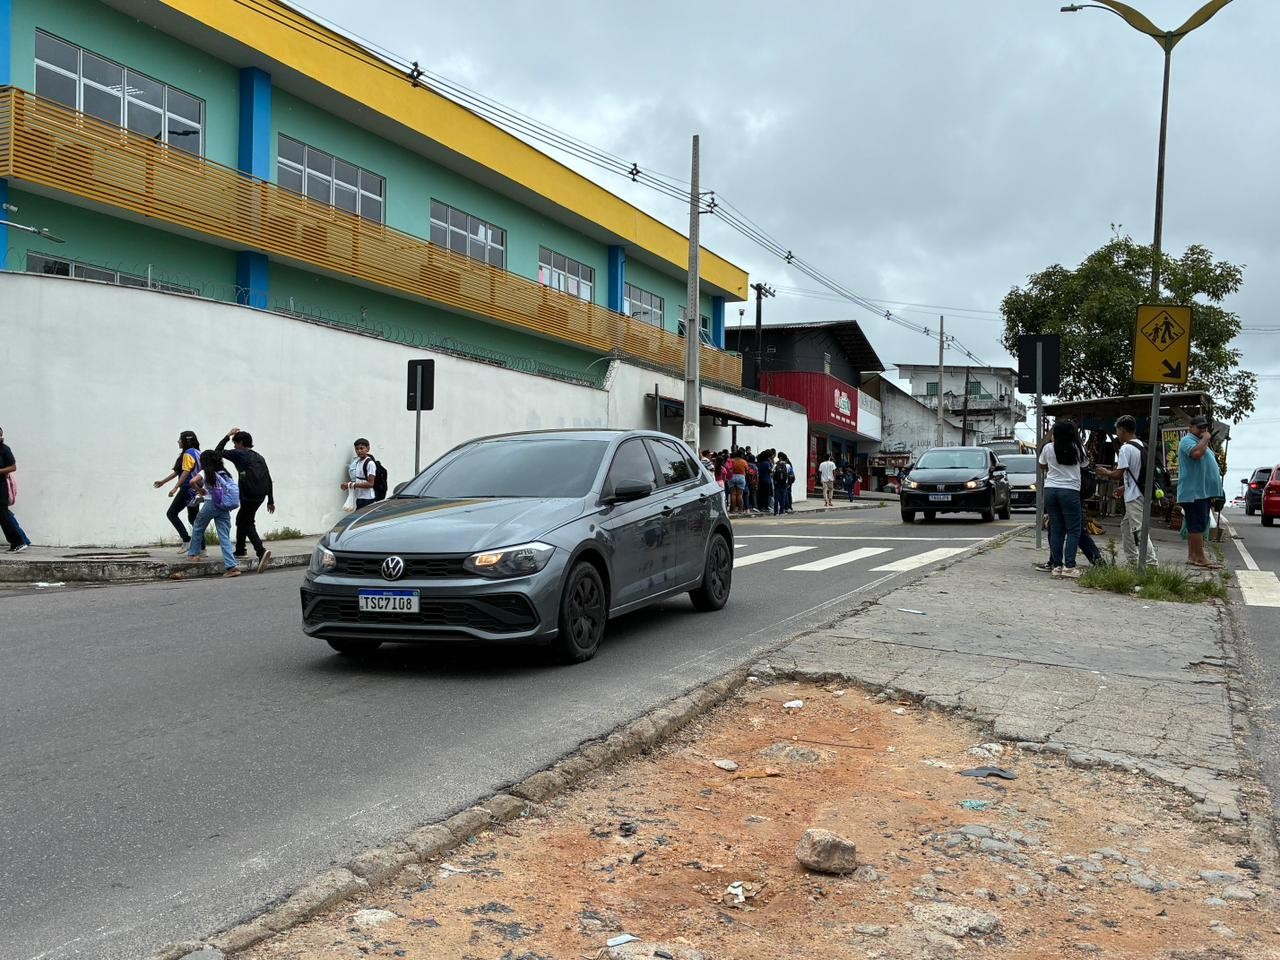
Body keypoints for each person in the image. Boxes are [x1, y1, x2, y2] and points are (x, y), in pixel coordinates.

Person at [1096, 414, 1158, 567]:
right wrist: (1124, 487)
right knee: (1125, 526)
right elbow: (1138, 473)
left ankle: (1150, 564)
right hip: (1142, 492)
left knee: (1138, 530)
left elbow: (1118, 473)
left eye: (1117, 431)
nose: (1117, 435)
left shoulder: (1126, 448)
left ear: (1123, 430)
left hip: (1134, 497)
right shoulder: (1142, 445)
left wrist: (1105, 472)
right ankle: (1133, 559)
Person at [216, 427, 276, 574]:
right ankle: (240, 550)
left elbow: (217, 453)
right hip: (260, 494)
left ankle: (261, 552)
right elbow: (268, 477)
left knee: (246, 522)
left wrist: (227, 436)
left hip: (249, 494)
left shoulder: (239, 454)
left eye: (235, 443)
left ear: (241, 443)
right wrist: (270, 500)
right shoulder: (259, 456)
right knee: (242, 519)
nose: (234, 446)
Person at [1038, 420, 1084, 579]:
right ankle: (1069, 566)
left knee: (1056, 529)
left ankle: (1057, 566)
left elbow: (1042, 465)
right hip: (1070, 491)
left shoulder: (1048, 448)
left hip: (1050, 490)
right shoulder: (1077, 448)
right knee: (1073, 529)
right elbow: (1085, 464)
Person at [186, 450, 242, 577]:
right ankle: (232, 567)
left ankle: (193, 554)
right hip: (224, 506)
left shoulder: (205, 472)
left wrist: (200, 490)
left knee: (198, 526)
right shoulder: (225, 473)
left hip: (211, 504)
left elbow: (192, 482)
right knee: (224, 536)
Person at [1177, 416, 1220, 569]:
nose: (1203, 430)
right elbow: (1196, 454)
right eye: (1199, 427)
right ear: (1191, 427)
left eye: (1205, 428)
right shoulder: (1188, 441)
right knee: (1197, 525)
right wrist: (1206, 439)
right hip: (1194, 492)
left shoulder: (1201, 443)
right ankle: (1200, 557)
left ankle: (1193, 556)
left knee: (1195, 524)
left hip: (1202, 492)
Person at [155, 430, 202, 553]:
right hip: (195, 489)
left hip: (187, 488)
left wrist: (176, 487)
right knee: (194, 519)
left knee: (171, 513)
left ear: (186, 440)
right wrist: (163, 481)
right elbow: (179, 471)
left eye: (180, 439)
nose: (178, 441)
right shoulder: (197, 452)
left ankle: (186, 540)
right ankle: (202, 547)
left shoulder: (187, 454)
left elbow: (186, 472)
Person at [0, 426, 29, 553]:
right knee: (4, 515)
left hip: (0, 488)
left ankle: (19, 541)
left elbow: (13, 467)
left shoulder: (4, 450)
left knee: (3, 515)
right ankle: (21, 541)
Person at [341, 438, 379, 511]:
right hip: (359, 497)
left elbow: (370, 484)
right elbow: (359, 480)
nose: (359, 451)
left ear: (367, 449)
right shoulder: (358, 462)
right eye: (357, 449)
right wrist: (348, 485)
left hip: (368, 499)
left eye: (361, 448)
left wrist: (352, 485)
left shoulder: (370, 463)